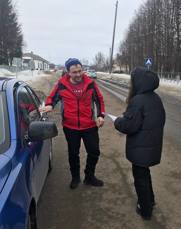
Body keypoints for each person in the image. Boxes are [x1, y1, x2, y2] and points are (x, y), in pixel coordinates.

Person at [40, 58, 105, 189]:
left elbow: (99, 99)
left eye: (80, 71)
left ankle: (89, 176)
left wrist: (100, 115)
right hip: (70, 127)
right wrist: (49, 105)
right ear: (68, 72)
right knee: (73, 153)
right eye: (74, 72)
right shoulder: (62, 84)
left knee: (94, 152)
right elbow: (52, 97)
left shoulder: (90, 84)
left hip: (90, 126)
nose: (78, 74)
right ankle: (75, 177)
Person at [114, 67, 166, 220]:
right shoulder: (155, 98)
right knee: (145, 173)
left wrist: (118, 121)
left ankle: (145, 210)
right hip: (151, 145)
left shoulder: (138, 100)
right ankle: (150, 200)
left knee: (140, 178)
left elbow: (129, 126)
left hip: (140, 147)